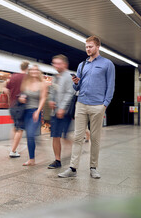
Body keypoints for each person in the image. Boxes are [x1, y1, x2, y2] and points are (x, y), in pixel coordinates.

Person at [59, 36, 115, 179]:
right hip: (81, 104)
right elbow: (76, 86)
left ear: (97, 47)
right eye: (86, 47)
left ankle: (93, 167)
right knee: (78, 137)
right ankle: (72, 168)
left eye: (90, 46)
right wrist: (76, 82)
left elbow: (110, 86)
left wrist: (105, 104)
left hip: (97, 105)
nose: (87, 49)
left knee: (95, 138)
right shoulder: (81, 65)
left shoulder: (107, 64)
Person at [47, 54, 75, 169]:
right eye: (54, 63)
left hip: (65, 112)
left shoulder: (69, 76)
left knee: (64, 136)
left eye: (58, 63)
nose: (56, 66)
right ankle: (57, 160)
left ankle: (75, 155)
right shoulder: (55, 77)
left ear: (65, 64)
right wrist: (51, 100)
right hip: (55, 111)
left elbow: (70, 93)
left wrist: (62, 108)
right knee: (55, 136)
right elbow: (52, 91)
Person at [19, 65, 47, 166]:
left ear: (38, 72)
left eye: (36, 70)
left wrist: (38, 111)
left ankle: (32, 159)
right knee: (28, 136)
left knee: (30, 134)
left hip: (35, 112)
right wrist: (21, 98)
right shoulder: (26, 83)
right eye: (32, 70)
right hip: (25, 112)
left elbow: (43, 98)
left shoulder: (42, 84)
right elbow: (22, 95)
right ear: (30, 71)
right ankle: (31, 159)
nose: (34, 72)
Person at [4, 61, 29, 158]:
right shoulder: (26, 77)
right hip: (21, 106)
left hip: (12, 106)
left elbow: (6, 89)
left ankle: (12, 147)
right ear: (27, 68)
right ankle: (13, 151)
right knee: (20, 129)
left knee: (14, 127)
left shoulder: (13, 76)